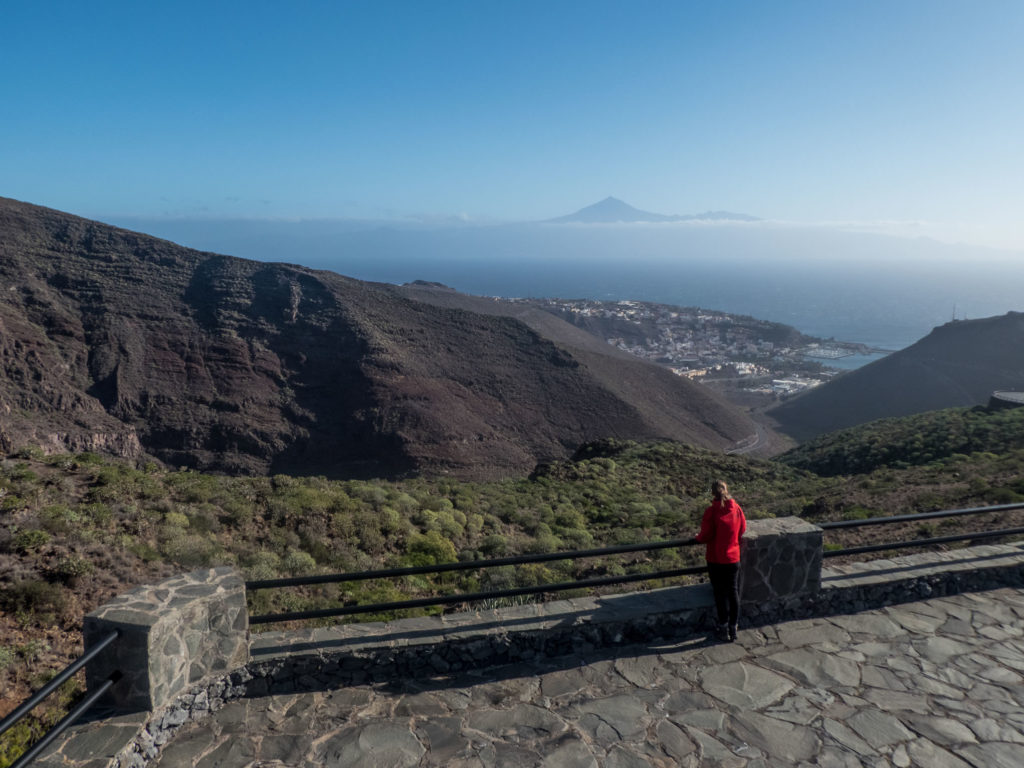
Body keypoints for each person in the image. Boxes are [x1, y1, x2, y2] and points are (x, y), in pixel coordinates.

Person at [694, 480, 747, 642]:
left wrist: (697, 538)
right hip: (733, 557)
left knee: (719, 594)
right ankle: (734, 627)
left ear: (712, 493)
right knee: (733, 592)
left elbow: (705, 535)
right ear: (727, 490)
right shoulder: (736, 508)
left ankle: (723, 627)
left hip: (716, 558)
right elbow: (742, 529)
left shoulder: (711, 511)